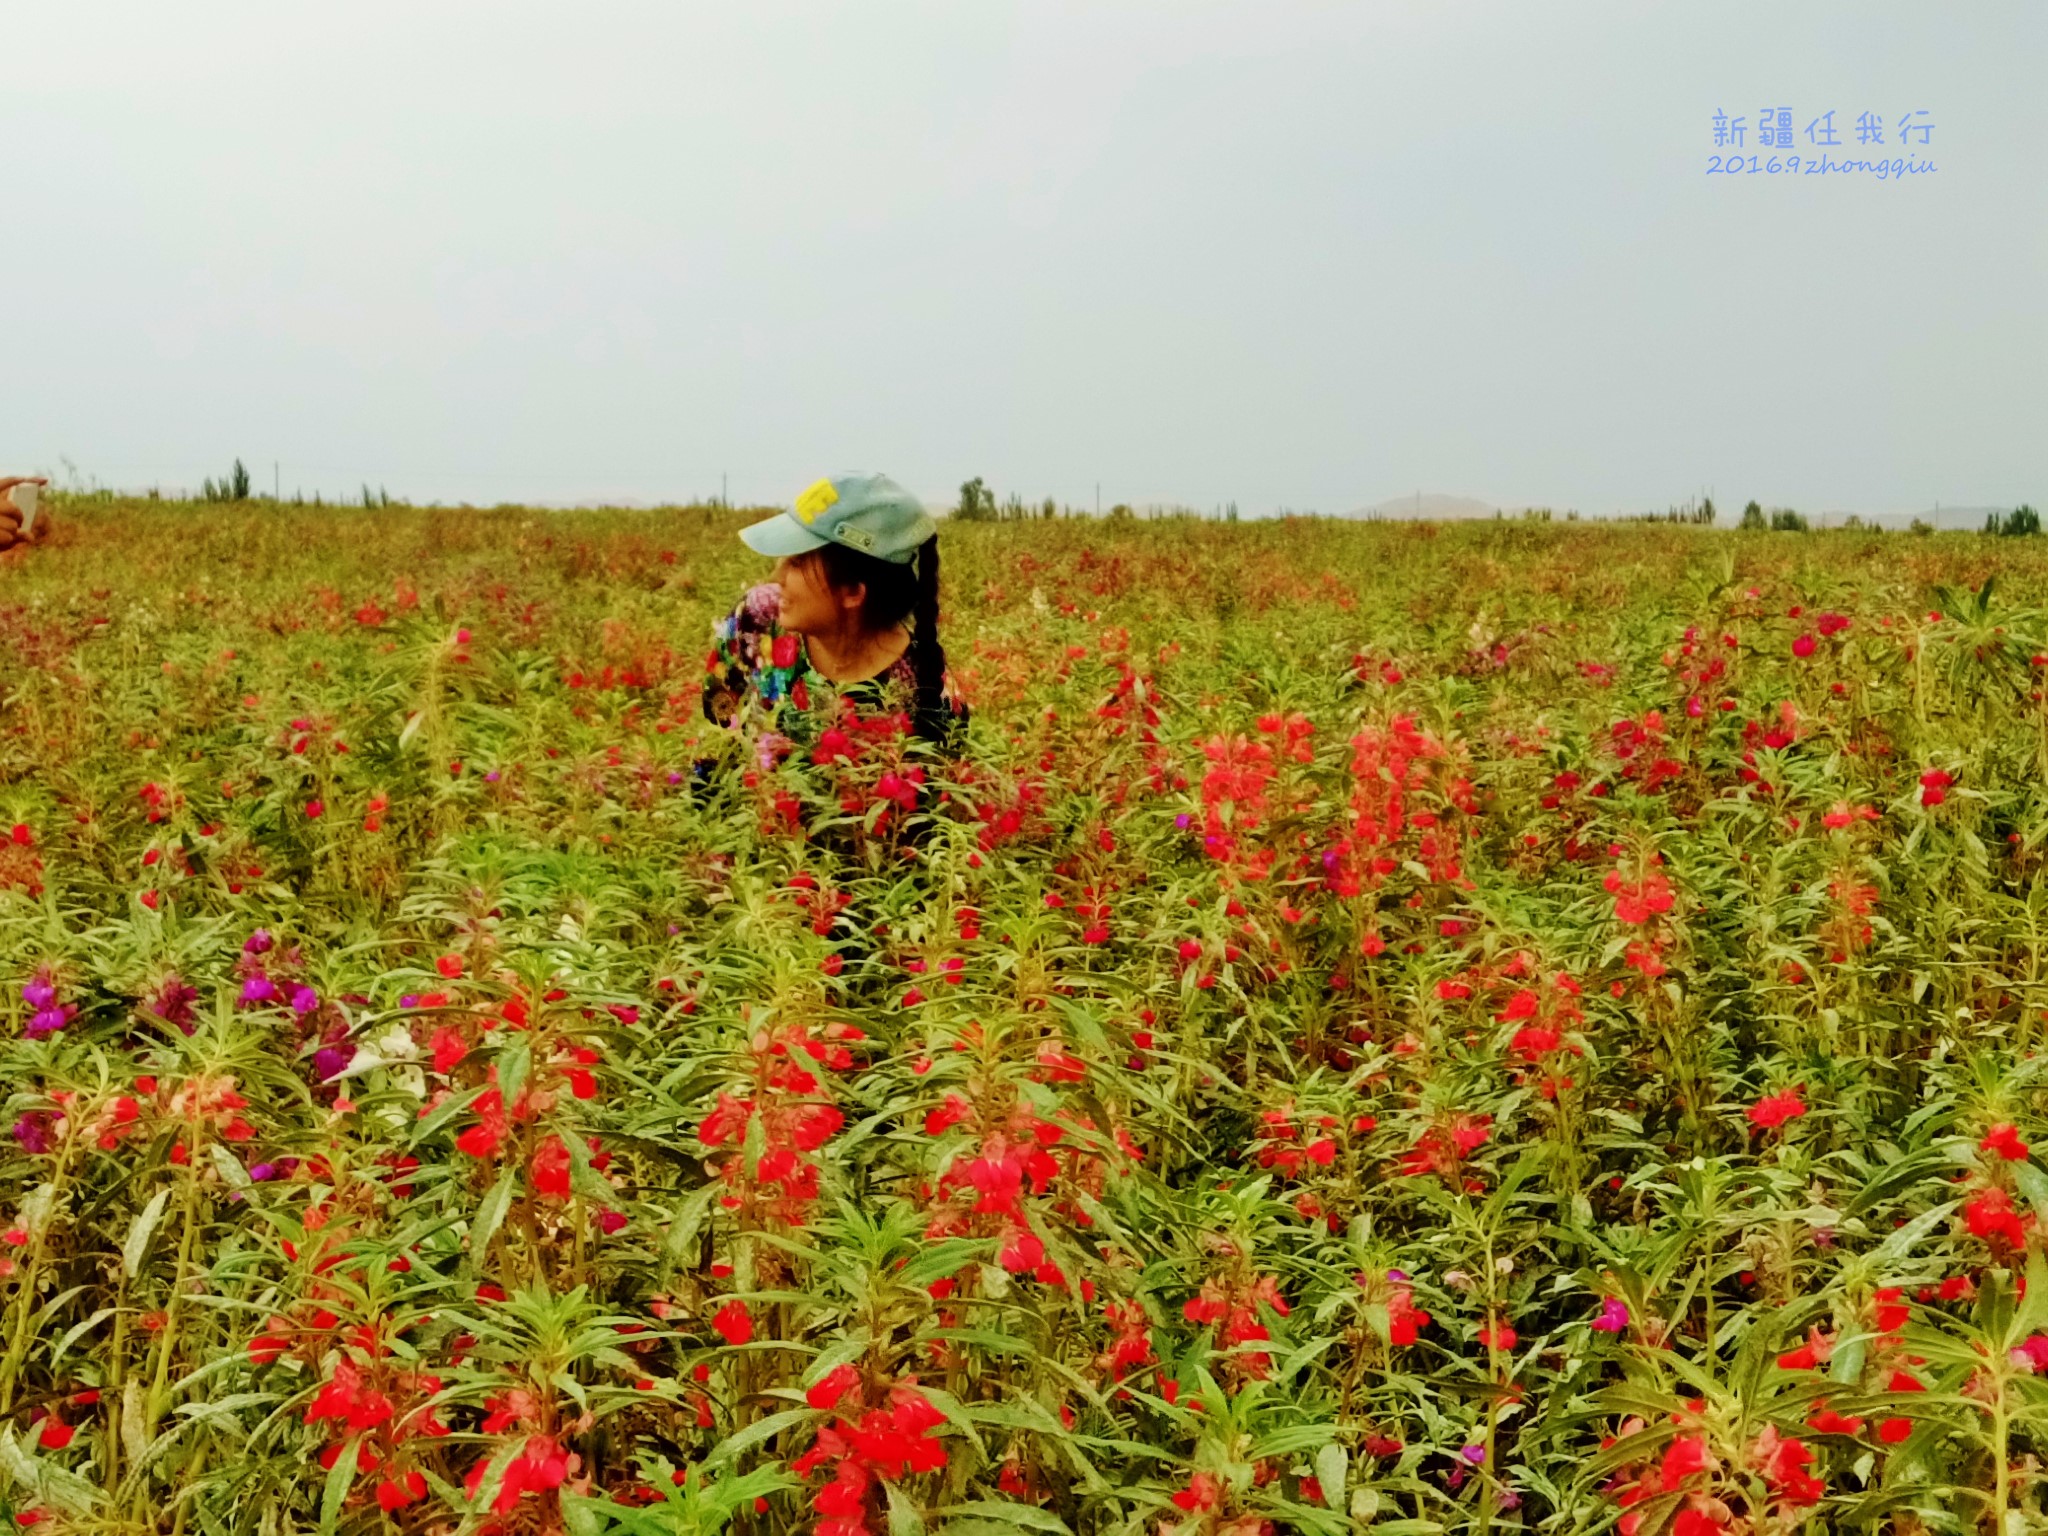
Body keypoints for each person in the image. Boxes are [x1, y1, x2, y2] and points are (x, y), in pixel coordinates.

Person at [692, 471, 972, 849]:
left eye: (797, 563)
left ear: (853, 592)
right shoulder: (756, 622)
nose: (778, 575)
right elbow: (716, 729)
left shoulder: (927, 694)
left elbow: (923, 836)